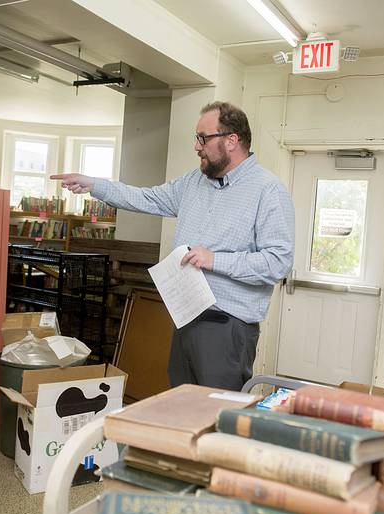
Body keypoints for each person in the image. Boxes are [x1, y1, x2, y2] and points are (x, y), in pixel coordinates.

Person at [52, 101, 295, 391]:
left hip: (227, 327)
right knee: (182, 403)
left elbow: (277, 262)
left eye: (203, 138)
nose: (196, 146)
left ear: (232, 140)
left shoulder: (268, 190)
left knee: (217, 412)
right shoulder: (194, 181)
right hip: (186, 316)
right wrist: (95, 185)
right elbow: (148, 198)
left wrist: (214, 259)